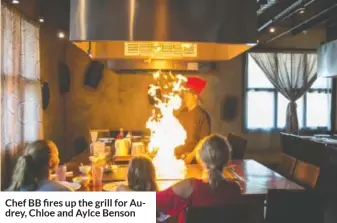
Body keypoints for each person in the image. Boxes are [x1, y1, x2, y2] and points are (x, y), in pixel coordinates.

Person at [156, 134, 242, 223]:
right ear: (227, 159)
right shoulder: (235, 188)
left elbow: (153, 203)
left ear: (201, 158)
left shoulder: (190, 186)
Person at [7, 140, 73, 191]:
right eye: (57, 155)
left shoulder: (19, 186)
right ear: (50, 162)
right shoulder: (62, 191)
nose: (58, 158)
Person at [175, 76, 211, 162]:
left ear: (195, 97)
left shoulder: (203, 116)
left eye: (187, 95)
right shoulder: (181, 113)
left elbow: (203, 141)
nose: (185, 97)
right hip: (177, 157)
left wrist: (191, 156)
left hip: (192, 159)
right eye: (185, 94)